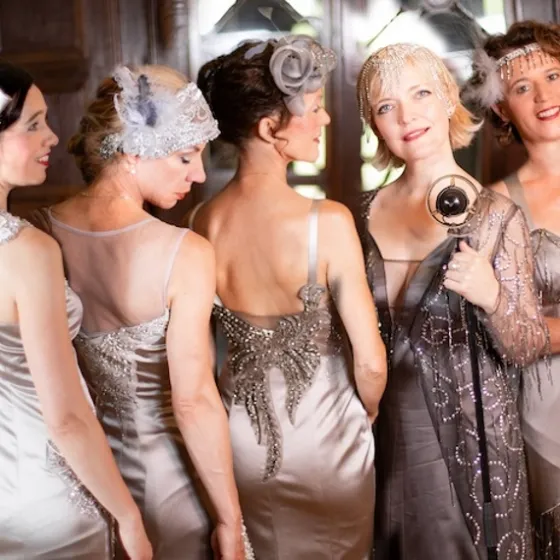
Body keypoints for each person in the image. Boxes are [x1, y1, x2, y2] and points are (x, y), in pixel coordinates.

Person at [32, 64, 248, 560]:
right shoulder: (185, 253)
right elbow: (194, 402)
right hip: (167, 485)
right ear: (133, 152)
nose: (198, 175)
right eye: (184, 156)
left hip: (78, 483)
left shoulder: (38, 233)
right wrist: (230, 521)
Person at [188, 35, 387, 559]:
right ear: (268, 129)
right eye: (314, 108)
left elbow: (201, 362)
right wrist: (364, 415)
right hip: (327, 442)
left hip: (240, 445)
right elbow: (370, 363)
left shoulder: (202, 221)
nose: (325, 119)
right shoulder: (329, 221)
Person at [356, 43, 547, 559]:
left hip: (472, 439)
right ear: (374, 125)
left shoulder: (497, 216)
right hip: (378, 438)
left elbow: (528, 345)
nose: (407, 116)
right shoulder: (359, 215)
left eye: (420, 93)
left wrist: (492, 297)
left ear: (447, 99)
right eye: (386, 106)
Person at [0, 62, 151, 559]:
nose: (52, 136)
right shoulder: (26, 252)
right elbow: (66, 417)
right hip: (44, 500)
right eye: (33, 124)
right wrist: (128, 516)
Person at [463, 20, 560, 558]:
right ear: (501, 107)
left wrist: (539, 326)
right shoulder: (495, 206)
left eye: (553, 76)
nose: (544, 97)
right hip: (545, 410)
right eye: (523, 87)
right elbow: (501, 331)